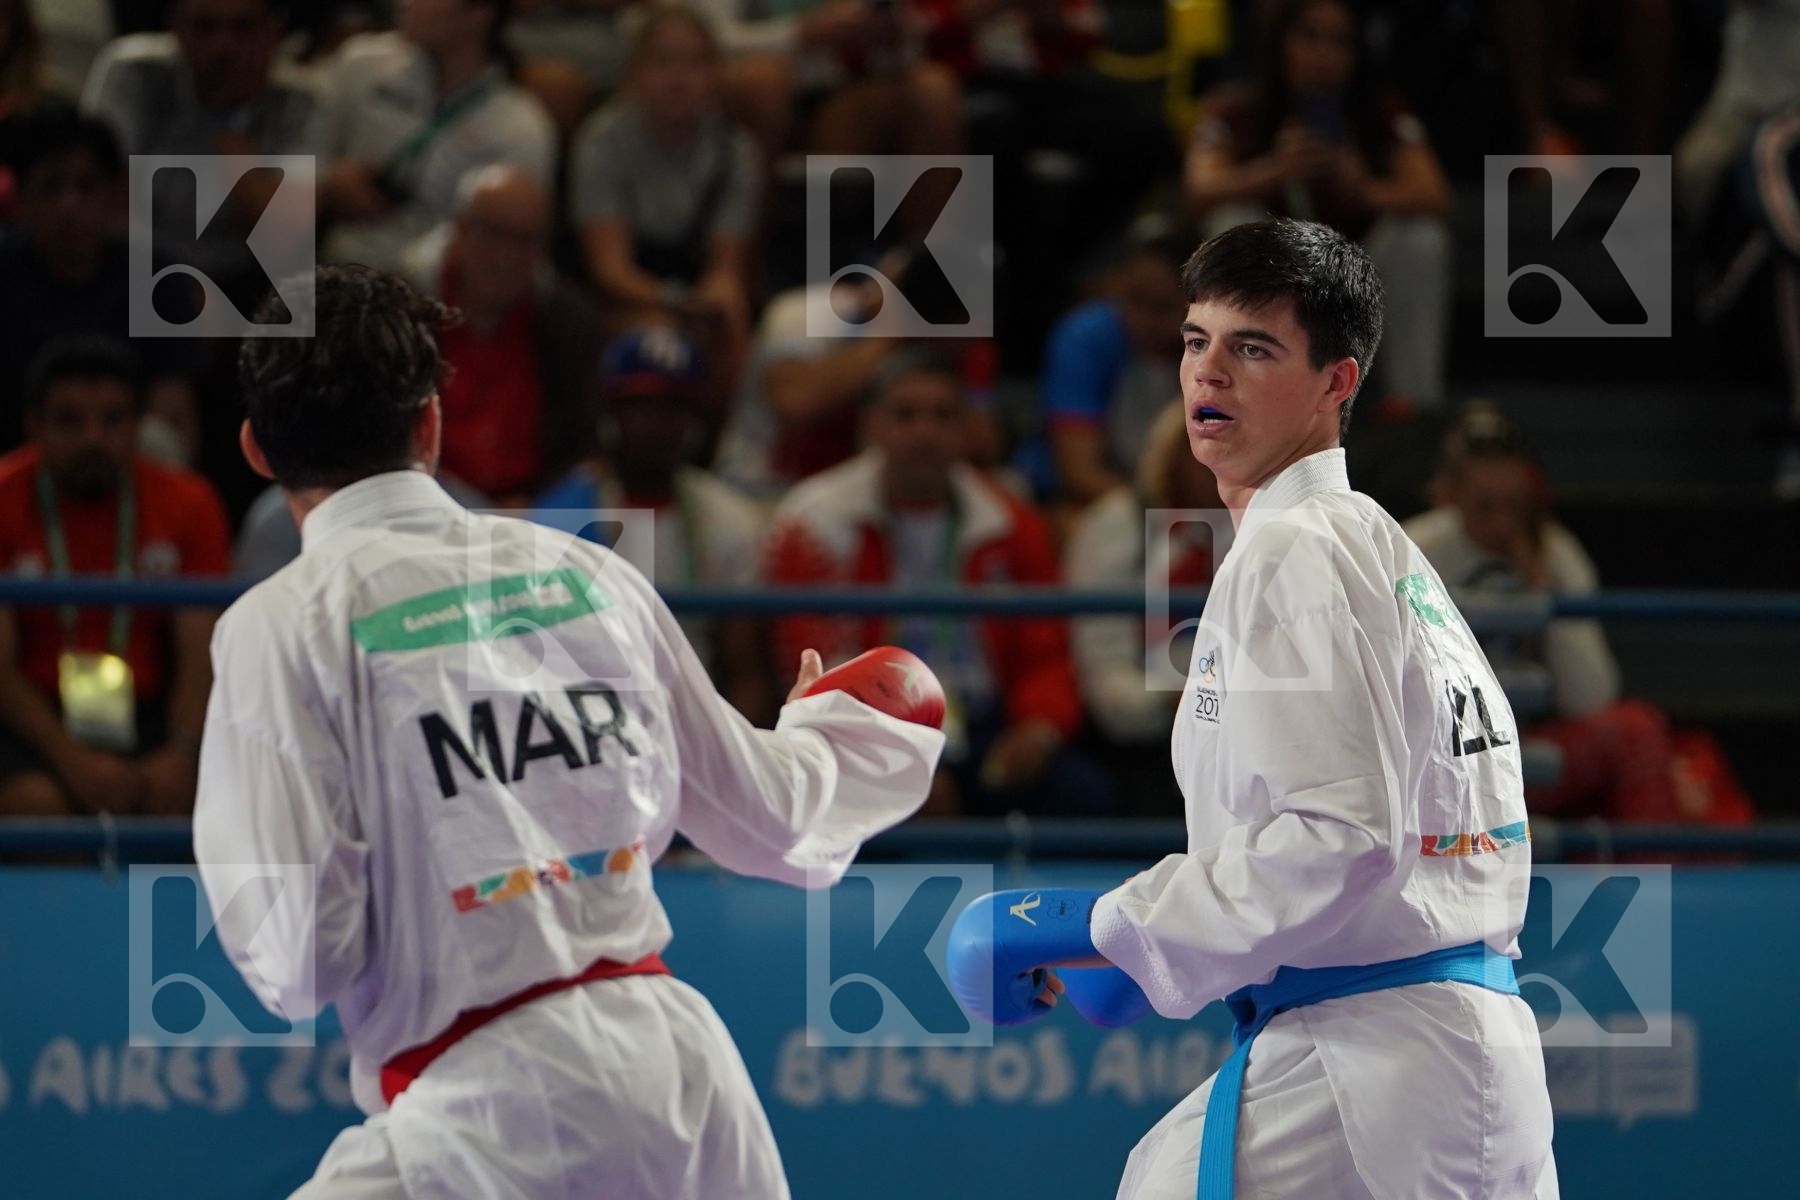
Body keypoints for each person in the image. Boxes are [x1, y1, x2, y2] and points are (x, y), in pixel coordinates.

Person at [196, 263, 946, 1197]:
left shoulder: (282, 625)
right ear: (431, 422)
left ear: (256, 452)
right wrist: (849, 727)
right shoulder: (587, 571)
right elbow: (780, 821)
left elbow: (301, 960)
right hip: (686, 1089)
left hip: (481, 1121)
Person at [947, 220, 1556, 1199]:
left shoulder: (1295, 552)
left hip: (1374, 1066)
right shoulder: (1374, 548)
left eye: (1254, 347)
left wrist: (1107, 926)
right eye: (1197, 342)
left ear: (1338, 383)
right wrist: (1155, 957)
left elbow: (1337, 834)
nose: (1210, 373)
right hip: (1435, 1054)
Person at [763, 346, 1109, 817]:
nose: (925, 432)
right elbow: (818, 669)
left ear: (964, 427)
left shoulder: (1011, 520)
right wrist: (893, 759)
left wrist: (1038, 729)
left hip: (983, 722)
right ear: (871, 425)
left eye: (942, 416)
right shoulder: (814, 523)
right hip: (867, 729)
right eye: (906, 415)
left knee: (1083, 795)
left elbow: (1044, 651)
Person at [1405, 403, 1753, 826]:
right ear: (1449, 497)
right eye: (1486, 507)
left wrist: (1541, 588)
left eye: (1515, 506)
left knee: (1638, 731)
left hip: (1531, 747)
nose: (1503, 524)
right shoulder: (1412, 549)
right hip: (1437, 753)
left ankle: (1652, 887)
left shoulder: (1556, 553)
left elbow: (1591, 696)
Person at [1184, 0, 1452, 416]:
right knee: (1229, 222)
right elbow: (1200, 187)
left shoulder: (1380, 113)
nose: (1323, 54)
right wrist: (1274, 171)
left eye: (1339, 41)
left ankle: (1413, 407)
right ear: (1280, 43)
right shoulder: (1235, 109)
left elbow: (1435, 195)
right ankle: (1238, 392)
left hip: (1358, 267)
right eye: (1308, 36)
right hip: (1276, 270)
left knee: (1421, 239)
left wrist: (1363, 189)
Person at [0, 336, 227, 817]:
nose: (92, 439)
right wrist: (73, 761)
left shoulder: (190, 502)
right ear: (33, 425)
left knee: (190, 797)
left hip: (151, 712)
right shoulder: (2, 495)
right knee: (35, 805)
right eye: (70, 421)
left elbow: (199, 651)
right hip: (31, 717)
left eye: (112, 420)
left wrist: (183, 752)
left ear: (139, 424)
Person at [532, 324, 774, 725]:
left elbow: (744, 667)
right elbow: (542, 663)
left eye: (672, 408)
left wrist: (730, 752)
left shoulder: (731, 521)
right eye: (641, 406)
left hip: (698, 718)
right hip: (588, 721)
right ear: (610, 414)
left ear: (695, 420)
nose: (656, 424)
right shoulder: (560, 517)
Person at [570, 3, 760, 408]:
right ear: (636, 72)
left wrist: (717, 299)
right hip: (622, 299)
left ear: (715, 75)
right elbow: (610, 270)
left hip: (693, 298)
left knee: (733, 325)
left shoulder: (735, 151)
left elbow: (726, 267)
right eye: (664, 61)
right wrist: (677, 302)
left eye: (694, 63)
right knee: (659, 336)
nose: (679, 77)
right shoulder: (601, 144)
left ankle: (721, 448)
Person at [400, 163, 606, 505]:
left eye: (526, 240)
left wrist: (538, 504)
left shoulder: (569, 323)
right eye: (493, 233)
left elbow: (585, 447)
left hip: (534, 515)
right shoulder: (405, 315)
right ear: (458, 231)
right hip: (424, 508)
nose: (507, 256)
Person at [0, 107, 198, 457]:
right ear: (22, 198)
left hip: (122, 461)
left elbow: (173, 412)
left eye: (86, 187)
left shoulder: (156, 276)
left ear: (113, 193)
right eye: (51, 187)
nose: (69, 205)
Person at [1063, 400, 1220, 816]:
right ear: (1174, 454)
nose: (1220, 460)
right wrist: (1170, 702)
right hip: (1146, 742)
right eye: (1205, 444)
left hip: (1242, 737)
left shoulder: (1268, 530)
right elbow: (1105, 677)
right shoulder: (1118, 527)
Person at [316, 0, 556, 270]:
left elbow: (516, 246)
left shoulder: (519, 125)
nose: (406, 3)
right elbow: (289, 155)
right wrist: (327, 178)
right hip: (332, 271)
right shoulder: (361, 65)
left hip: (436, 291)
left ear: (480, 12)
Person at [1029, 228, 1190, 506]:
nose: (1143, 322)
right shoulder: (1084, 338)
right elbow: (1080, 473)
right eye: (1133, 300)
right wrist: (1155, 511)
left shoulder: (1213, 348)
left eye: (1161, 308)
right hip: (1079, 497)